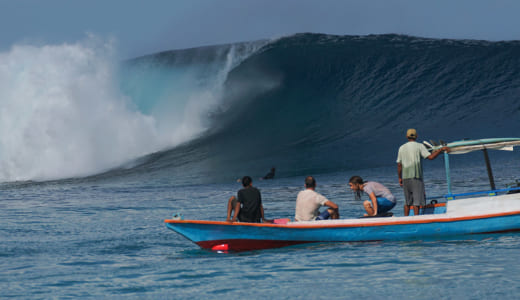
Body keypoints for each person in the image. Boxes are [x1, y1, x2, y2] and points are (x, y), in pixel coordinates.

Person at [397, 129, 449, 216]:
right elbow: (431, 157)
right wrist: (440, 150)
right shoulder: (419, 146)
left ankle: (405, 220)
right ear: (416, 136)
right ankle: (416, 220)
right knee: (416, 202)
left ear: (406, 136)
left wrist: (399, 177)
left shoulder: (401, 148)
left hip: (405, 177)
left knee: (407, 202)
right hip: (416, 177)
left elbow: (399, 165)